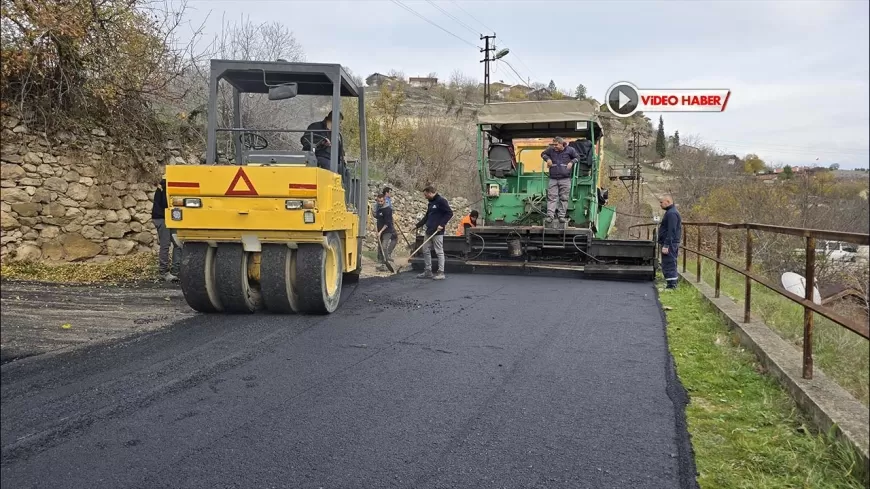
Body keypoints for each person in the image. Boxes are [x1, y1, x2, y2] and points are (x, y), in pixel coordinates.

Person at [414, 185, 453, 280]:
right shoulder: (430, 203)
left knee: (439, 251)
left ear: (430, 192)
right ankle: (428, 271)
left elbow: (449, 213)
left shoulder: (441, 201)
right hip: (429, 230)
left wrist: (442, 224)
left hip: (437, 231)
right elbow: (427, 216)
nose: (425, 197)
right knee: (425, 250)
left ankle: (441, 273)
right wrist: (417, 225)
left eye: (426, 195)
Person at [540, 136, 580, 224]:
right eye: (553, 145)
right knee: (551, 198)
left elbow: (577, 157)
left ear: (562, 144)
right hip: (553, 178)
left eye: (556, 145)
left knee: (564, 198)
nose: (554, 147)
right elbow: (543, 154)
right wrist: (548, 159)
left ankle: (561, 216)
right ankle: (550, 216)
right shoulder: (550, 150)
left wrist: (571, 162)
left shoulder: (570, 150)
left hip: (565, 179)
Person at [151, 177, 181, 282]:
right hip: (161, 217)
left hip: (169, 217)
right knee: (166, 244)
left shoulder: (165, 188)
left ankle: (175, 270)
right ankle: (164, 272)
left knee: (178, 243)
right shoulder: (164, 189)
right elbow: (165, 204)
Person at [300, 110, 346, 177]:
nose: (340, 125)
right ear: (335, 121)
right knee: (330, 166)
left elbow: (339, 149)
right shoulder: (315, 127)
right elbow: (306, 140)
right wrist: (322, 142)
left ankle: (343, 186)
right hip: (317, 155)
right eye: (340, 123)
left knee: (344, 170)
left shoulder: (336, 134)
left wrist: (343, 157)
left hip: (330, 158)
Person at [658, 194, 682, 290]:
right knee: (668, 262)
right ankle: (670, 283)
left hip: (670, 243)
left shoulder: (671, 214)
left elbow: (671, 230)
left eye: (661, 202)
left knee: (669, 262)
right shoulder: (670, 212)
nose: (660, 204)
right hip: (670, 242)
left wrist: (666, 245)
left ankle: (672, 286)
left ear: (667, 201)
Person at [375, 193, 397, 271]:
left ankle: (386, 262)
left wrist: (380, 232)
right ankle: (380, 262)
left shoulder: (388, 210)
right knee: (379, 246)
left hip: (387, 230)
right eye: (378, 201)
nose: (380, 203)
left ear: (384, 200)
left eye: (381, 201)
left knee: (384, 246)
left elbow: (387, 223)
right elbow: (378, 217)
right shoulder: (378, 208)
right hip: (380, 230)